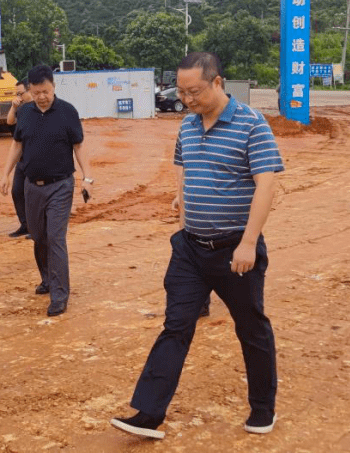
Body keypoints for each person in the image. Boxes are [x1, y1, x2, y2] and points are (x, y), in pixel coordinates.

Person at [111, 52, 284, 439]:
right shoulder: (187, 126)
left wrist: (249, 243)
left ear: (218, 83)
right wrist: (181, 206)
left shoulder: (251, 125)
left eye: (195, 91)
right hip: (190, 248)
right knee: (175, 326)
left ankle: (262, 408)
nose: (188, 99)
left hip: (234, 249)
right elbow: (183, 169)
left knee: (251, 326)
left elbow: (267, 185)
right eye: (182, 91)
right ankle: (148, 414)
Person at [0, 65, 93, 317]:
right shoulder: (25, 113)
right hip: (32, 186)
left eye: (47, 91)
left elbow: (79, 146)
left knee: (55, 238)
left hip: (60, 185)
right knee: (38, 237)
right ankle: (47, 279)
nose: (42, 96)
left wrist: (87, 176)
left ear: (54, 88)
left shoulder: (67, 112)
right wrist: (5, 174)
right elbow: (17, 144)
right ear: (29, 90)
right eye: (37, 92)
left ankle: (59, 295)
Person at [5, 79, 32, 239]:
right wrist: (14, 106)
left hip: (35, 160)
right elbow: (9, 122)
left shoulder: (38, 110)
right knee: (17, 191)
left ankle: (36, 228)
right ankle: (25, 224)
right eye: (17, 94)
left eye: (20, 93)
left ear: (30, 91)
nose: (19, 97)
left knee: (32, 194)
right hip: (22, 159)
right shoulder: (22, 110)